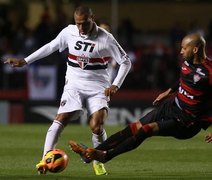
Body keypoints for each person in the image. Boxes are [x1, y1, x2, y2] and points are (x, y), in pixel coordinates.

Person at [4, 6, 131, 175]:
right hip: (74, 85)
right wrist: (25, 61)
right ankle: (44, 160)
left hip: (98, 86)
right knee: (60, 118)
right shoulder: (69, 32)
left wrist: (115, 85)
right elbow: (50, 47)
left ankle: (98, 160)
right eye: (77, 23)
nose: (81, 28)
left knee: (96, 125)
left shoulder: (106, 38)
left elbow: (125, 61)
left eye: (84, 23)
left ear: (92, 18)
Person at [69, 33, 212, 165]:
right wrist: (168, 91)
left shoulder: (209, 73)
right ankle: (90, 154)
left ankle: (106, 156)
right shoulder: (187, 62)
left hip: (187, 122)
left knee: (146, 130)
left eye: (184, 48)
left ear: (195, 50)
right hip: (172, 105)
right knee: (133, 128)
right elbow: (183, 79)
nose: (181, 51)